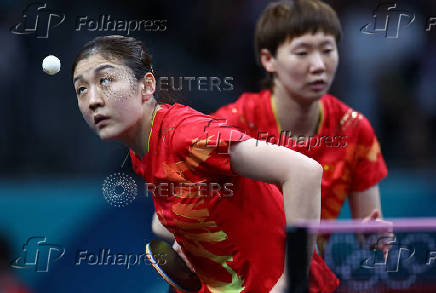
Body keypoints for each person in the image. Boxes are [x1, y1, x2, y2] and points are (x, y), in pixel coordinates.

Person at [72, 35, 339, 292]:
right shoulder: (142, 151)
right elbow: (185, 204)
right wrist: (187, 238)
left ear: (147, 86)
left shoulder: (189, 137)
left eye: (105, 80)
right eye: (81, 89)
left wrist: (290, 282)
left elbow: (303, 171)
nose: (93, 100)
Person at [211, 0, 389, 253]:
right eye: (302, 52)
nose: (318, 65)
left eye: (327, 50)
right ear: (268, 59)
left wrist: (378, 237)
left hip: (308, 279)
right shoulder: (232, 125)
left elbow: (369, 234)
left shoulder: (355, 130)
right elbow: (184, 212)